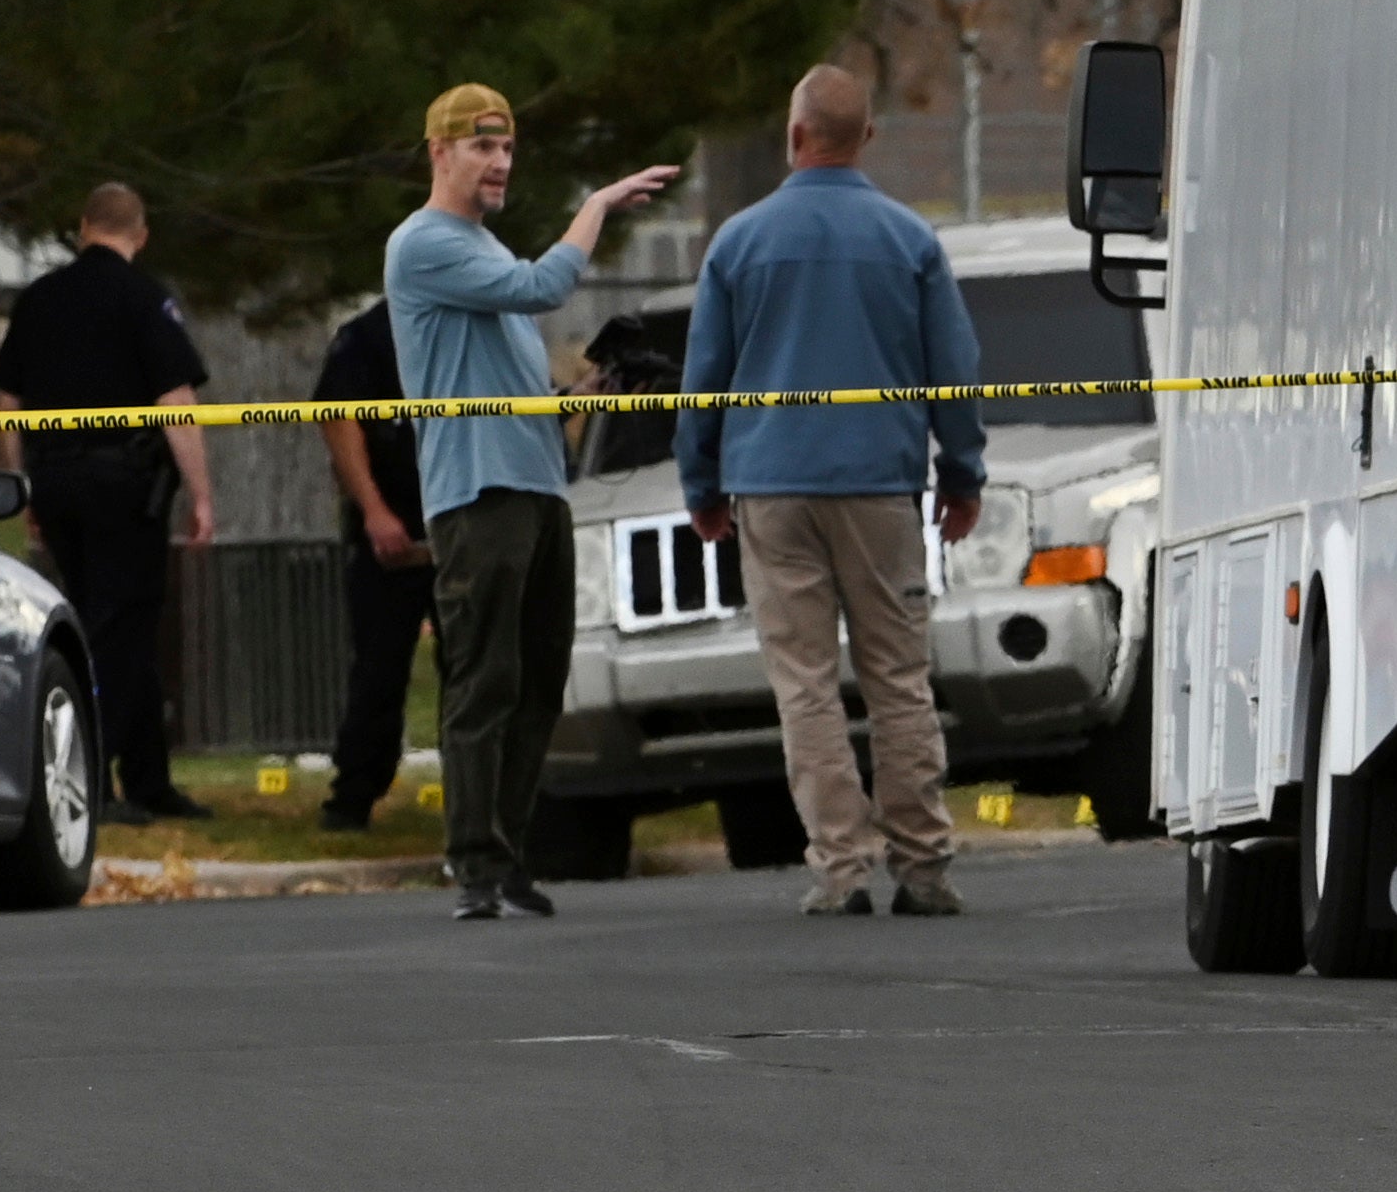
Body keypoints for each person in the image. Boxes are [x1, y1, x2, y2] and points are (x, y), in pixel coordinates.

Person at [677, 65, 987, 919]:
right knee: (897, 675)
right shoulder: (909, 239)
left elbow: (703, 378)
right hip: (878, 483)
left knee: (805, 682)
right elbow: (953, 370)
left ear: (794, 133)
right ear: (867, 139)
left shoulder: (738, 242)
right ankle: (923, 866)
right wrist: (961, 473)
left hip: (770, 483)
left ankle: (842, 867)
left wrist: (701, 482)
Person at [390, 87, 677, 923]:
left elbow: (524, 390)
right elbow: (547, 286)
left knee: (541, 680)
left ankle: (509, 853)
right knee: (486, 679)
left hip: (538, 486)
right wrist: (596, 204)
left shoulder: (484, 254)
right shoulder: (425, 246)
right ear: (440, 153)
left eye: (508, 149)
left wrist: (593, 386)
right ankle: (473, 863)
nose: (501, 164)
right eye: (483, 148)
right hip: (478, 495)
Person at [0, 183, 219, 821]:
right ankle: (87, 779)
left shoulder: (37, 300)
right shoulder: (144, 297)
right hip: (123, 487)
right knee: (119, 630)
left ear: (82, 227)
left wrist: (22, 483)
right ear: (139, 236)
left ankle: (148, 778)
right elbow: (176, 401)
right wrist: (200, 492)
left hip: (56, 481)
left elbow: (6, 401)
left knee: (116, 622)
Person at [309, 293, 429, 832]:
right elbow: (338, 419)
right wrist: (376, 512)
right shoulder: (370, 334)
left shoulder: (472, 323)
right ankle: (353, 797)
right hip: (393, 532)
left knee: (481, 672)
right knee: (379, 669)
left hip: (464, 524)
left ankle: (490, 794)